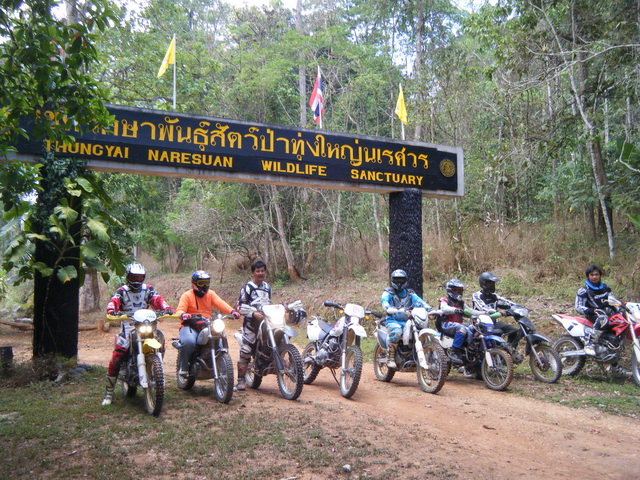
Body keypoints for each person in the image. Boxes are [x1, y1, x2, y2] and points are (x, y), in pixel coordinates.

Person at [102, 262, 173, 406]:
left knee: (160, 338)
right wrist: (111, 310)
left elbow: (157, 299)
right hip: (128, 326)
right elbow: (113, 301)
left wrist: (167, 308)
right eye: (134, 277)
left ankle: (155, 368)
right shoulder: (121, 291)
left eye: (140, 277)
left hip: (147, 324)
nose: (137, 281)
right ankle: (109, 393)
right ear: (128, 277)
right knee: (118, 354)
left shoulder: (148, 289)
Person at [176, 270, 240, 379]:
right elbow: (180, 310)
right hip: (190, 325)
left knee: (219, 339)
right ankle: (184, 367)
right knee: (189, 342)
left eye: (206, 282)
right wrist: (183, 314)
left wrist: (232, 311)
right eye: (201, 283)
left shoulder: (210, 294)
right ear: (194, 283)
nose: (204, 285)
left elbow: (220, 303)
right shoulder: (187, 295)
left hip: (206, 324)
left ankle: (220, 366)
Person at [381, 269, 431, 369]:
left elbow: (420, 301)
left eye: (401, 280)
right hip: (393, 320)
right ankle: (390, 356)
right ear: (392, 280)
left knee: (420, 330)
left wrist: (429, 308)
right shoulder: (388, 292)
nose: (399, 282)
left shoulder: (410, 293)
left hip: (408, 320)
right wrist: (388, 308)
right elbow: (384, 301)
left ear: (406, 280)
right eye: (397, 280)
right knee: (397, 332)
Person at [236, 260, 271, 391]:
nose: (260, 273)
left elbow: (269, 303)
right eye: (258, 271)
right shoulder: (248, 288)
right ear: (253, 273)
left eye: (262, 271)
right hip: (251, 324)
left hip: (266, 323)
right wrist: (253, 313)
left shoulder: (267, 287)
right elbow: (240, 306)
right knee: (246, 350)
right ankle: (241, 380)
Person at [471, 272, 520, 356]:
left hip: (493, 322)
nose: (492, 285)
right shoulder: (477, 295)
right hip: (479, 324)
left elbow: (506, 302)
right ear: (483, 283)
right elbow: (483, 307)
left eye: (493, 283)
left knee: (513, 330)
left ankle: (509, 352)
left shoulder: (494, 296)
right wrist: (496, 312)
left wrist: (519, 307)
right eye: (489, 283)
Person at [574, 264, 618, 356]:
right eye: (592, 275)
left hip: (608, 313)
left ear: (600, 276)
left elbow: (614, 301)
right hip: (593, 314)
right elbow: (578, 306)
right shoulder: (583, 290)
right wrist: (592, 310)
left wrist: (621, 309)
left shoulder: (606, 287)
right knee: (603, 318)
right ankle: (590, 344)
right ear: (588, 276)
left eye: (596, 274)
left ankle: (614, 357)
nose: (594, 277)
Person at [437, 279, 473, 364]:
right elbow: (444, 309)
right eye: (455, 290)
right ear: (450, 290)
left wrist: (484, 313)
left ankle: (469, 350)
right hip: (446, 324)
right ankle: (454, 351)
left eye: (460, 290)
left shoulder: (461, 303)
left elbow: (471, 311)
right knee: (461, 328)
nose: (458, 292)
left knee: (473, 328)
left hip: (458, 324)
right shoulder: (444, 300)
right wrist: (455, 310)